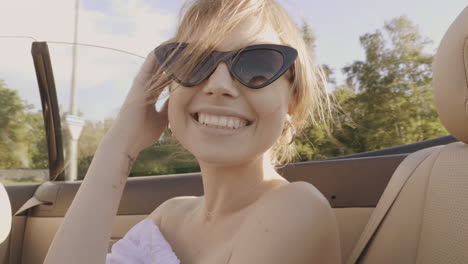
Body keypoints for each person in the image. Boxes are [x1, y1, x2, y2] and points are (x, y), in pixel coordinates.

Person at [44, 0, 341, 263]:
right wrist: (120, 143)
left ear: (293, 101)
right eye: (193, 62)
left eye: (257, 66)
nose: (218, 85)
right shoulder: (167, 216)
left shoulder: (295, 207)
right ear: (167, 89)